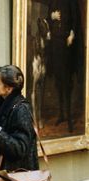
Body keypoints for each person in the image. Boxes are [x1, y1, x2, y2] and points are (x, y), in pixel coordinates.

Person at [46, 0, 79, 132]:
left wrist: (72, 34)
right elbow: (47, 20)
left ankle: (70, 118)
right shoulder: (53, 2)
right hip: (55, 43)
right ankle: (61, 115)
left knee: (67, 82)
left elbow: (75, 19)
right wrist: (51, 17)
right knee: (58, 81)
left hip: (66, 44)